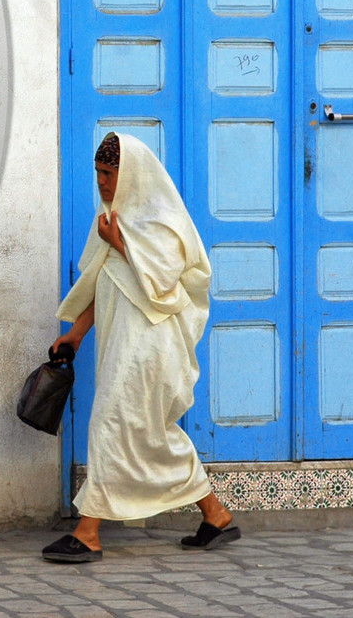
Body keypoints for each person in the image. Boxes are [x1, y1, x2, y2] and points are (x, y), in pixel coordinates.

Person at [42, 132, 240, 563]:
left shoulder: (160, 220)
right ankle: (215, 513)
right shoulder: (111, 217)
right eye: (98, 174)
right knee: (148, 433)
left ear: (130, 173)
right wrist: (76, 333)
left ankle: (88, 532)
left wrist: (120, 244)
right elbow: (103, 278)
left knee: (110, 421)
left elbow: (163, 283)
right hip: (121, 342)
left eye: (110, 173)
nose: (103, 183)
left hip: (152, 345)